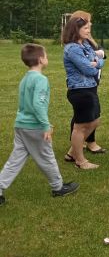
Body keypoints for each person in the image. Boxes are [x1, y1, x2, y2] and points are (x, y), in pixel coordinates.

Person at [0, 44, 79, 206]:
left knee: (15, 160)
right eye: (46, 56)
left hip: (20, 125)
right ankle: (58, 187)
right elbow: (38, 104)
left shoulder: (25, 79)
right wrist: (45, 125)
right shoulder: (41, 79)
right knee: (47, 157)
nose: (47, 58)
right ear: (41, 59)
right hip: (34, 127)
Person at [62, 15, 105, 170]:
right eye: (85, 28)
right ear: (76, 29)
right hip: (80, 90)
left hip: (90, 87)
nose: (88, 31)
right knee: (80, 126)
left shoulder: (85, 44)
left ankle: (72, 152)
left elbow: (101, 60)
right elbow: (88, 69)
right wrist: (95, 63)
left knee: (94, 121)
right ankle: (80, 161)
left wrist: (96, 62)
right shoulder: (72, 48)